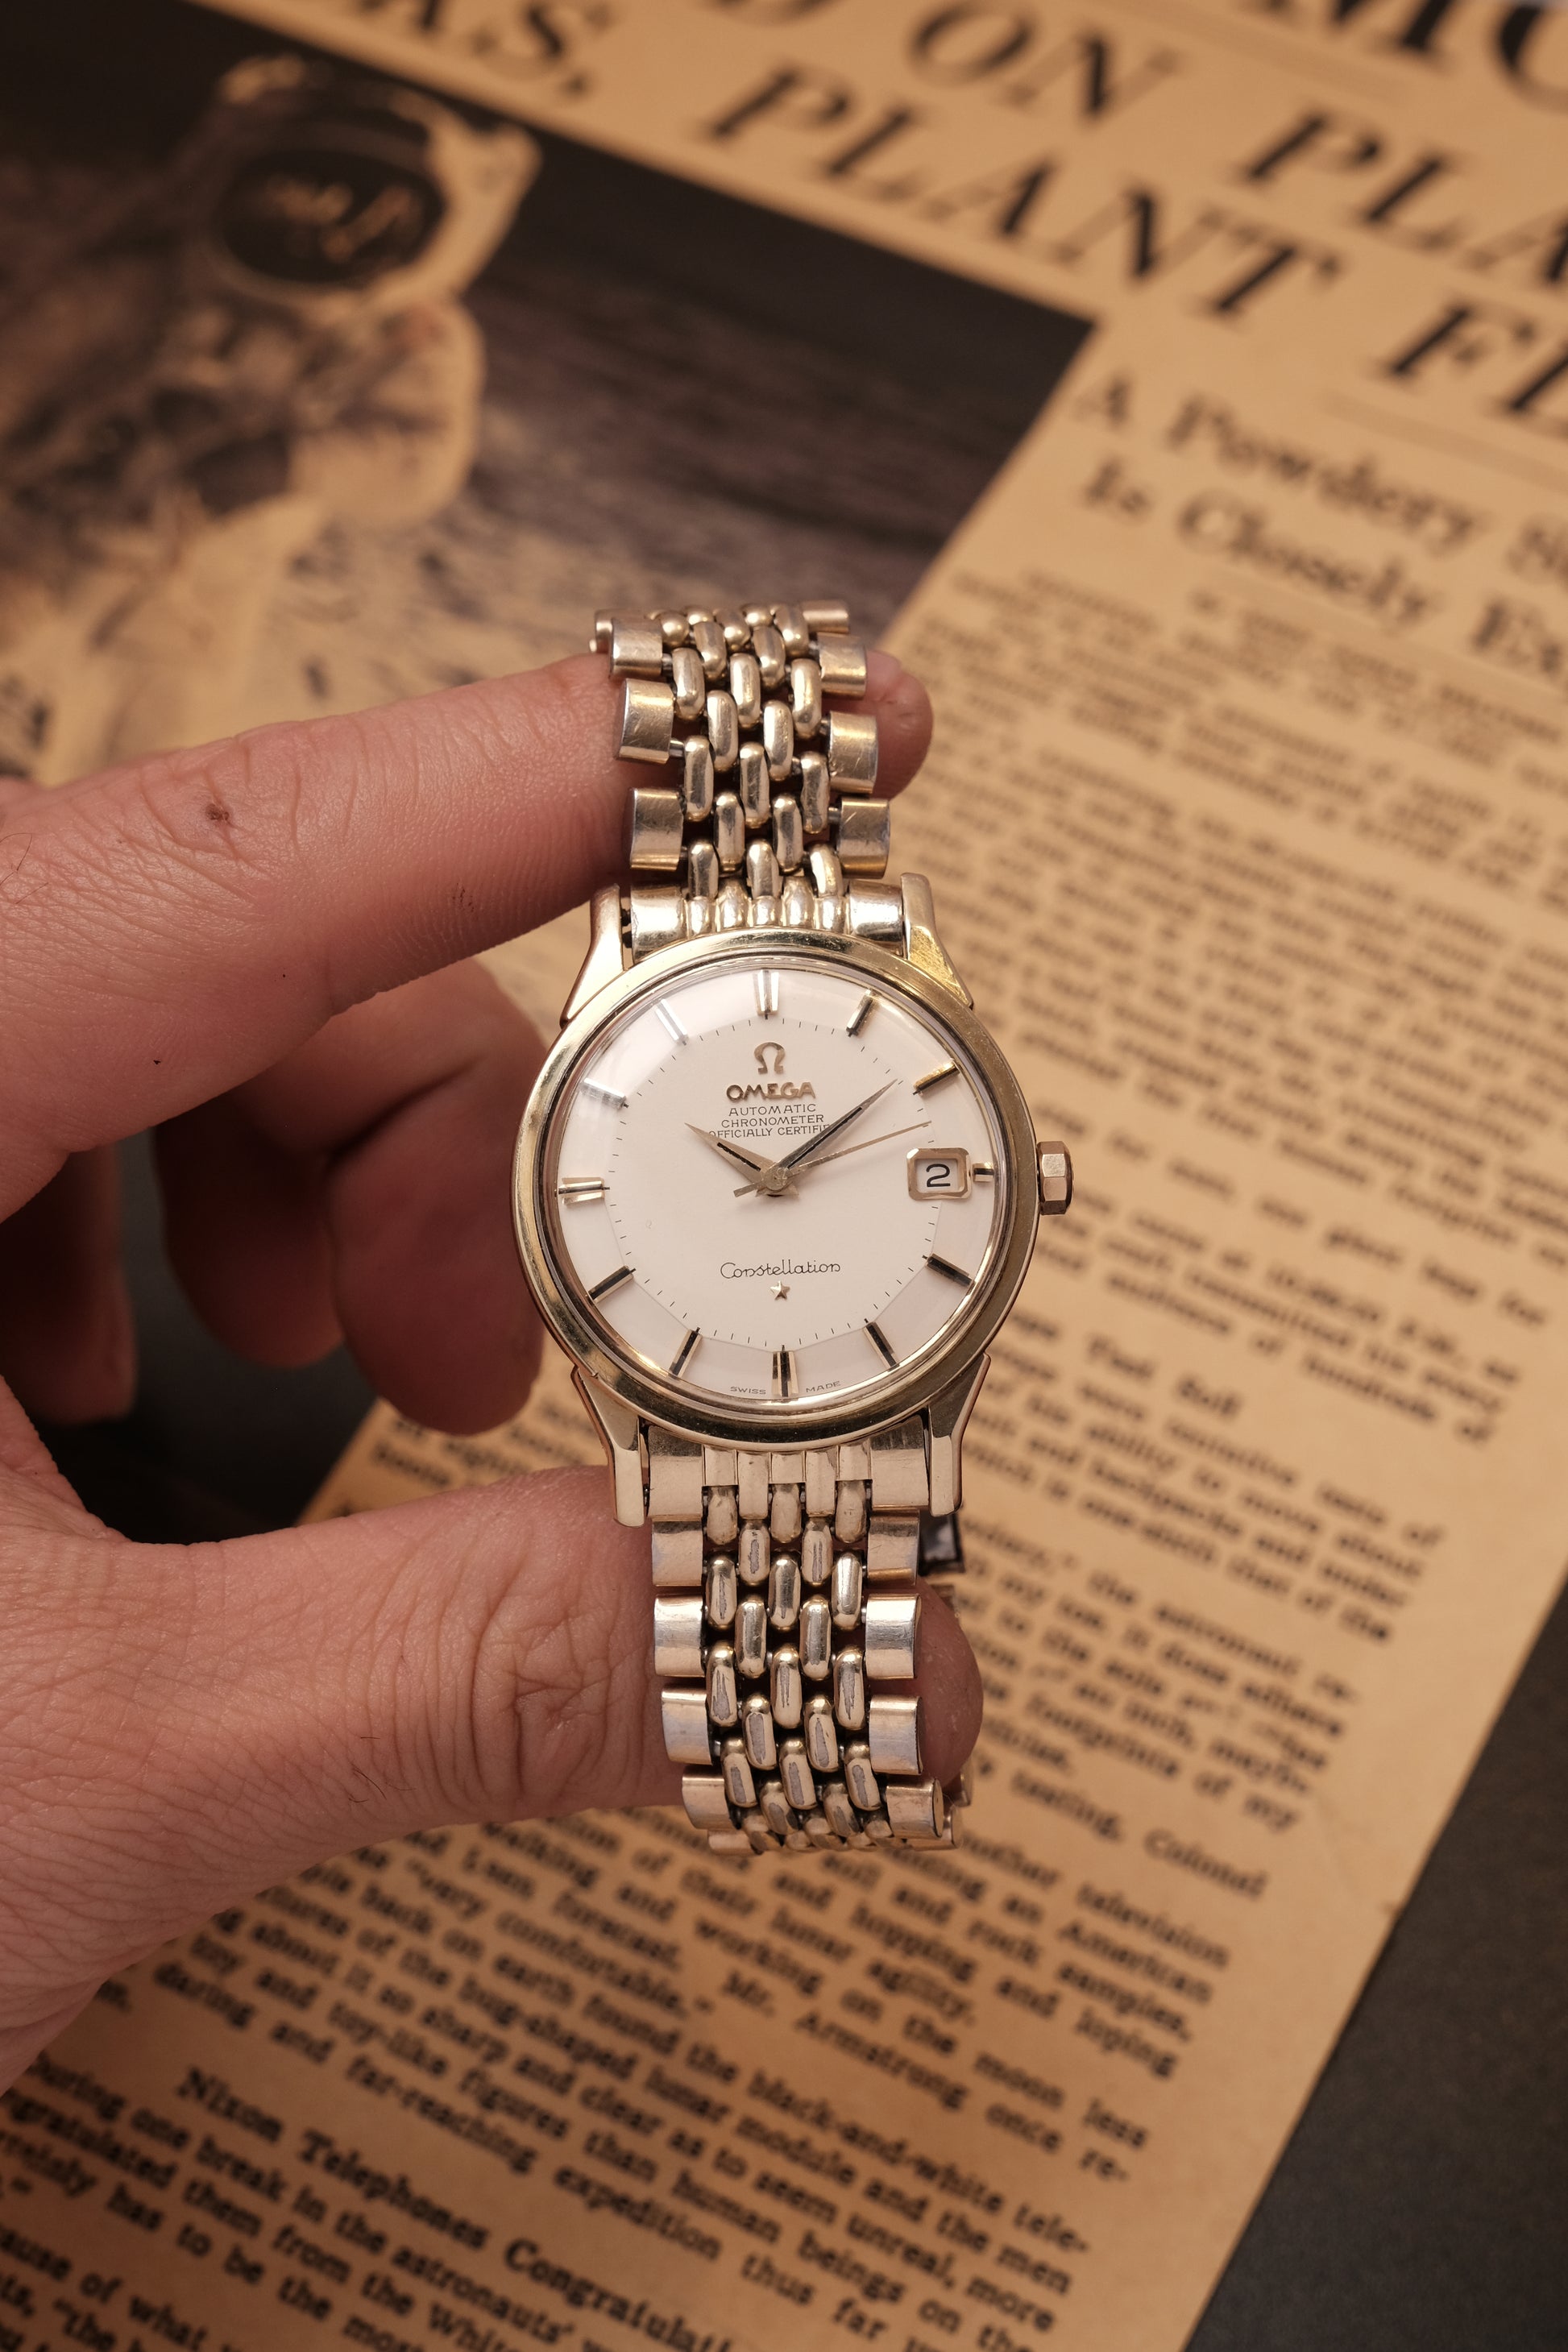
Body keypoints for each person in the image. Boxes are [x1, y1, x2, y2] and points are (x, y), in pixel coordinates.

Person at [0, 642, 980, 2090]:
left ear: (1019, 1181)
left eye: (794, 1167)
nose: (775, 1181)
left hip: (871, 1378)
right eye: (750, 1167)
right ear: (552, 1186)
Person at [0, 54, 535, 781]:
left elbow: (421, 458)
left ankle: (125, 833)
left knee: (154, 755)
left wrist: (291, 463)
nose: (317, 232)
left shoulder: (405, 337)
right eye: (295, 199)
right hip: (44, 528)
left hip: (201, 584)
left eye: (362, 217)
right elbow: (25, 361)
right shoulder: (156, 283)